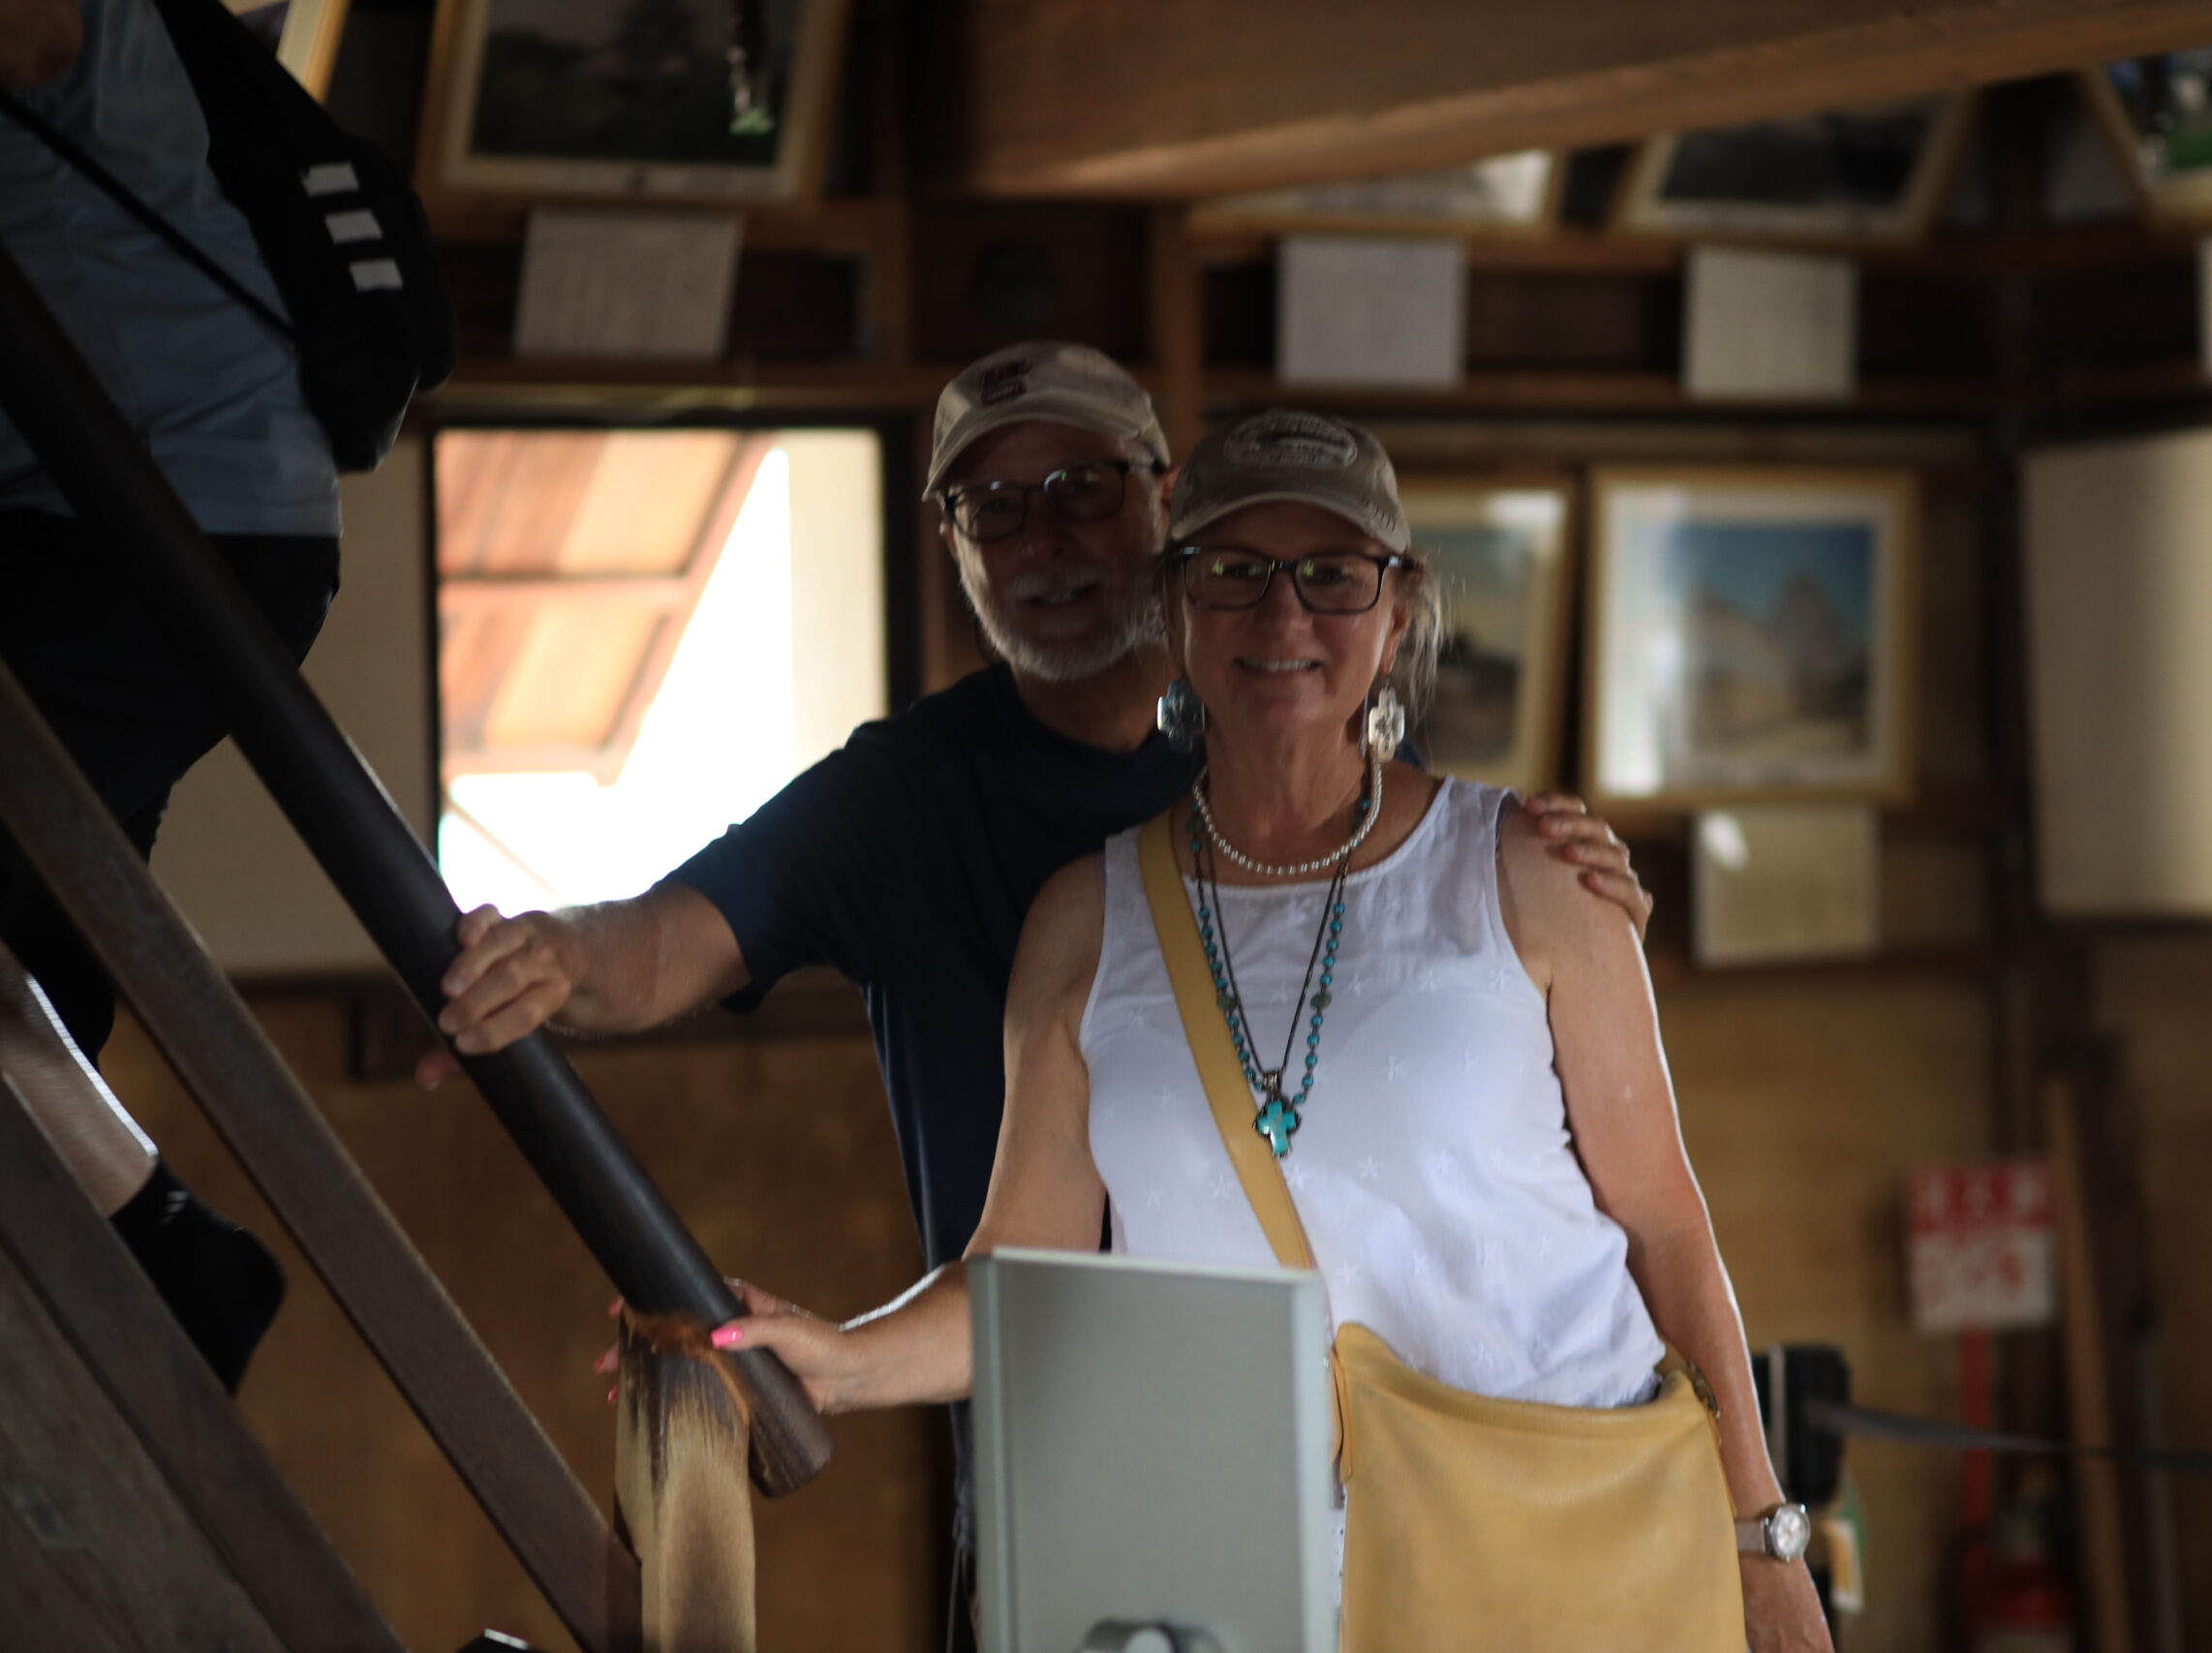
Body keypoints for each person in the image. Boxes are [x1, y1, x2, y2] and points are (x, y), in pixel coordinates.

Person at [428, 344, 1652, 1607]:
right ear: (953, 542)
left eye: (1080, 486)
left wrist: (1582, 891)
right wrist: (548, 957)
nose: (1040, 541)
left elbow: (1582, 1152)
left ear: (1163, 503)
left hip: (1414, 1469)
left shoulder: (1297, 723)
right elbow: (663, 944)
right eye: (992, 507)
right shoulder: (909, 797)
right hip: (1071, 1461)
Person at [696, 410, 1834, 1650]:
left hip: (1552, 1547)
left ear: (1394, 613)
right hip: (1261, 1591)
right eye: (1234, 574)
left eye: (1331, 577)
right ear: (1174, 612)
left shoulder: (1529, 871)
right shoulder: (1086, 919)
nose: (1282, 620)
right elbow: (1024, 1274)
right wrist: (839, 1359)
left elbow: (1665, 1225)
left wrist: (1761, 1538)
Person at [1, 0, 344, 1389]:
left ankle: (164, 1245)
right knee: (42, 937)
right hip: (99, 520)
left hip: (164, 519)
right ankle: (120, 1234)